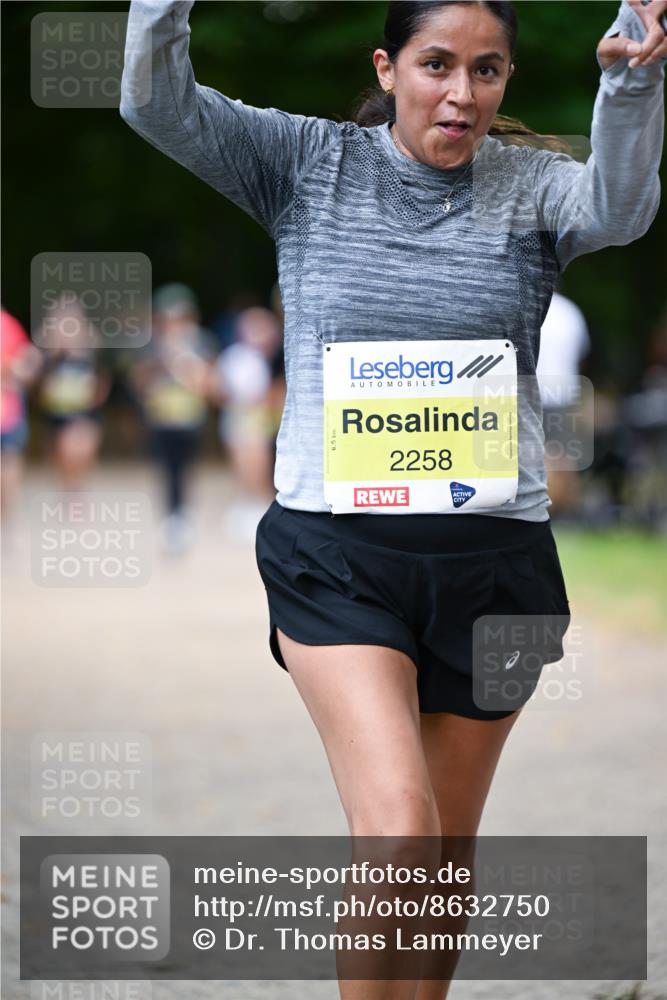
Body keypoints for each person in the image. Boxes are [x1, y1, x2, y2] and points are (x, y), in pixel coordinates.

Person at [121, 1, 665, 995]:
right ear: (389, 65)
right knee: (399, 831)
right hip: (337, 556)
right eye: (436, 64)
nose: (462, 93)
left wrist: (630, 79)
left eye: (488, 70)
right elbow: (155, 103)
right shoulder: (305, 164)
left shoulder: (531, 188)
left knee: (446, 851)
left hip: (497, 566)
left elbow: (621, 208)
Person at [129, 283, 216, 554]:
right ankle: (171, 516)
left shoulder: (202, 343)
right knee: (166, 468)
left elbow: (208, 384)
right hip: (161, 419)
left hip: (189, 420)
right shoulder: (151, 345)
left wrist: (186, 364)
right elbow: (138, 384)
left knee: (185, 467)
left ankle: (183, 514)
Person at [210, 305, 284, 541]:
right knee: (247, 462)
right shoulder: (238, 357)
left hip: (272, 423)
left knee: (266, 466)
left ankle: (263, 506)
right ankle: (252, 504)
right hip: (246, 422)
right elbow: (220, 389)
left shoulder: (279, 356)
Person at [36, 294, 111, 491]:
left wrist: (96, 397)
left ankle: (77, 488)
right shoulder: (48, 350)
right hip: (57, 412)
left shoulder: (91, 347)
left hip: (84, 411)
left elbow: (102, 377)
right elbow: (39, 383)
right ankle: (69, 489)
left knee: (80, 449)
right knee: (62, 456)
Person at [536, 290, 591, 518]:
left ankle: (545, 507)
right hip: (565, 391)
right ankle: (569, 510)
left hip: (534, 388)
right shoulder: (570, 311)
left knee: (535, 454)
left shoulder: (533, 303)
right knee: (565, 454)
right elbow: (582, 354)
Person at [0, 308, 42, 524]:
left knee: (9, 459)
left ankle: (6, 516)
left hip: (7, 406)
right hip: (8, 405)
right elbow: (29, 360)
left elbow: (28, 360)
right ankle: (7, 517)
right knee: (10, 458)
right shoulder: (9, 323)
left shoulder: (7, 324)